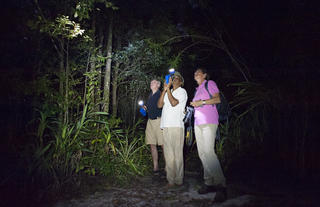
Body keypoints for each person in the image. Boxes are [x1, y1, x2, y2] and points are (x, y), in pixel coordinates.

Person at [190, 67, 227, 201]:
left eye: (198, 72)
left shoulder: (209, 84)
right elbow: (198, 105)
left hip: (209, 122)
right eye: (194, 73)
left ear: (205, 75)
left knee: (209, 152)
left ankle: (221, 185)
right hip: (198, 123)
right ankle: (209, 183)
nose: (196, 74)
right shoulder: (197, 90)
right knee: (202, 153)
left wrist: (202, 102)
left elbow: (217, 100)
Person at [157, 72, 187, 187]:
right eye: (173, 78)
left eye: (176, 78)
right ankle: (171, 180)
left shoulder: (182, 92)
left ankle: (179, 179)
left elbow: (174, 103)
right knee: (168, 154)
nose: (174, 79)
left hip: (176, 126)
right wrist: (165, 90)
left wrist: (168, 90)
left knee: (177, 154)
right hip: (166, 125)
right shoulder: (168, 91)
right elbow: (159, 105)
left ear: (181, 82)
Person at [144, 79, 164, 175]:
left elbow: (161, 106)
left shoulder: (160, 94)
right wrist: (145, 108)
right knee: (152, 144)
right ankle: (155, 167)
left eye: (154, 82)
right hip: (150, 121)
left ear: (158, 85)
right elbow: (149, 107)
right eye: (151, 82)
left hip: (159, 121)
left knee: (163, 144)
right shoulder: (150, 95)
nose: (151, 83)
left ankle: (168, 166)